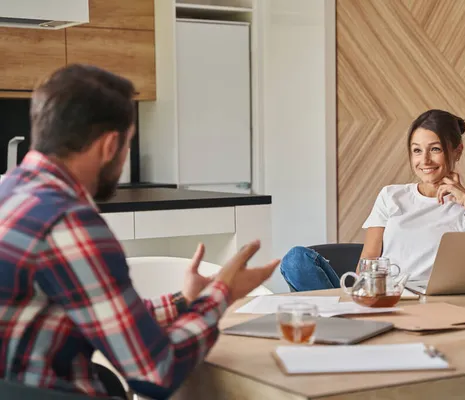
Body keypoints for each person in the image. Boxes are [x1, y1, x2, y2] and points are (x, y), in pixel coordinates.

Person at [0, 64, 279, 399]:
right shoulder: (69, 223)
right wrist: (220, 295)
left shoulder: (9, 193)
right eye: (127, 145)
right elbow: (156, 373)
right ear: (110, 145)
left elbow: (99, 312)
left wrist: (184, 300)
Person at [280, 109, 465, 292]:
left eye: (435, 149)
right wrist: (359, 299)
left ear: (457, 151)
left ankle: (335, 326)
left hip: (433, 302)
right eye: (417, 151)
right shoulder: (391, 196)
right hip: (384, 296)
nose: (425, 160)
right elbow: (369, 258)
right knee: (295, 259)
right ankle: (342, 320)